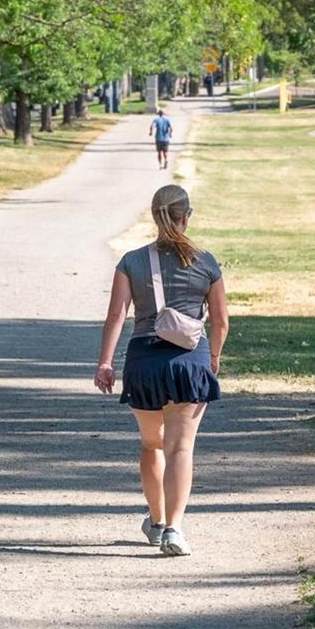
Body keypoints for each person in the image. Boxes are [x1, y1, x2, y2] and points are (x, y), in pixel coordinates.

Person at [94, 184, 229, 557]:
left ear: (155, 216)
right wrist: (212, 359)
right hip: (189, 363)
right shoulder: (206, 262)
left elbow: (117, 315)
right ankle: (173, 529)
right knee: (180, 447)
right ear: (187, 216)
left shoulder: (131, 262)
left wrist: (105, 362)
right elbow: (220, 322)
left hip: (144, 362)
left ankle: (155, 522)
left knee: (151, 443)